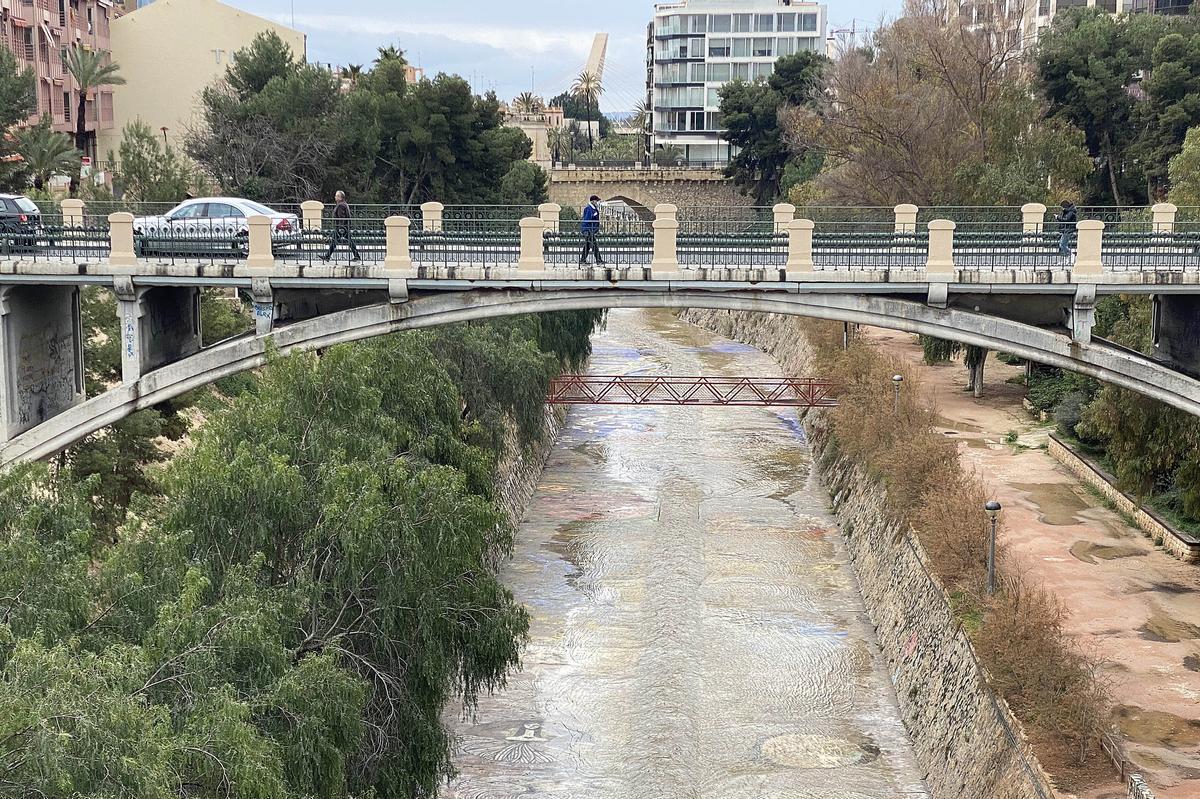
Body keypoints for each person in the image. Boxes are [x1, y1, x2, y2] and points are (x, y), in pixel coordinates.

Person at [321, 190, 361, 263]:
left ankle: (327, 256)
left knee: (338, 241)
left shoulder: (341, 205)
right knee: (346, 241)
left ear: (340, 197)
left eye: (336, 196)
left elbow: (341, 217)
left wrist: (341, 228)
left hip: (341, 227)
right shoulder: (344, 204)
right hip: (344, 227)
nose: (335, 197)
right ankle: (356, 256)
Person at [579, 195, 605, 265]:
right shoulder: (589, 209)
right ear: (593, 201)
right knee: (594, 245)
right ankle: (598, 260)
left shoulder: (593, 208)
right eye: (597, 201)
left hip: (591, 230)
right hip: (588, 230)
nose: (597, 202)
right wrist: (588, 231)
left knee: (587, 246)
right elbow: (587, 220)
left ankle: (583, 260)